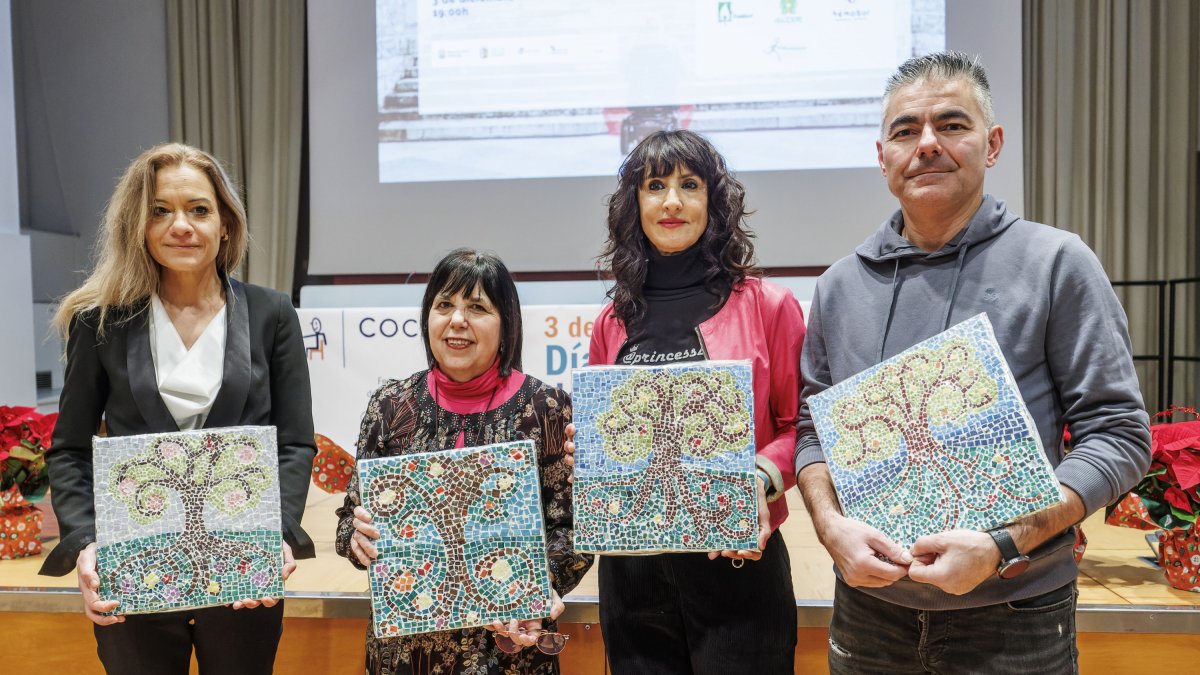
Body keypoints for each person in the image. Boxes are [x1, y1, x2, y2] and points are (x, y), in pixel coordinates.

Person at [794, 52, 1152, 673]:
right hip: (867, 614)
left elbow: (1119, 436)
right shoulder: (838, 287)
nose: (927, 144)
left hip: (1015, 615)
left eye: (951, 125)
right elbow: (812, 433)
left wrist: (1001, 544)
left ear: (992, 145)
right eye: (906, 131)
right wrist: (831, 528)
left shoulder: (1057, 263)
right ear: (883, 158)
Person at [41, 142, 317, 674]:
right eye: (160, 211)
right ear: (138, 227)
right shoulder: (100, 322)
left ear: (226, 226)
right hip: (132, 565)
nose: (181, 225)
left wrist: (275, 530)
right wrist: (85, 543)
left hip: (241, 568)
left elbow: (295, 441)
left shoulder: (271, 313)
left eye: (198, 209)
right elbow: (70, 451)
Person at [585, 129, 805, 673]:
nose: (673, 201)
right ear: (634, 203)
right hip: (630, 576)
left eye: (690, 185)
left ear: (714, 200)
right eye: (655, 185)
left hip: (736, 563)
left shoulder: (767, 306)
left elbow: (801, 423)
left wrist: (757, 478)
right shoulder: (611, 324)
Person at [335, 248, 593, 674]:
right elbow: (350, 518)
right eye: (444, 305)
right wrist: (356, 538)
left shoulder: (546, 408)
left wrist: (532, 589)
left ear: (506, 323)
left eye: (477, 307)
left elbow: (571, 526)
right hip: (406, 651)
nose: (457, 321)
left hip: (509, 646)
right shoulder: (390, 406)